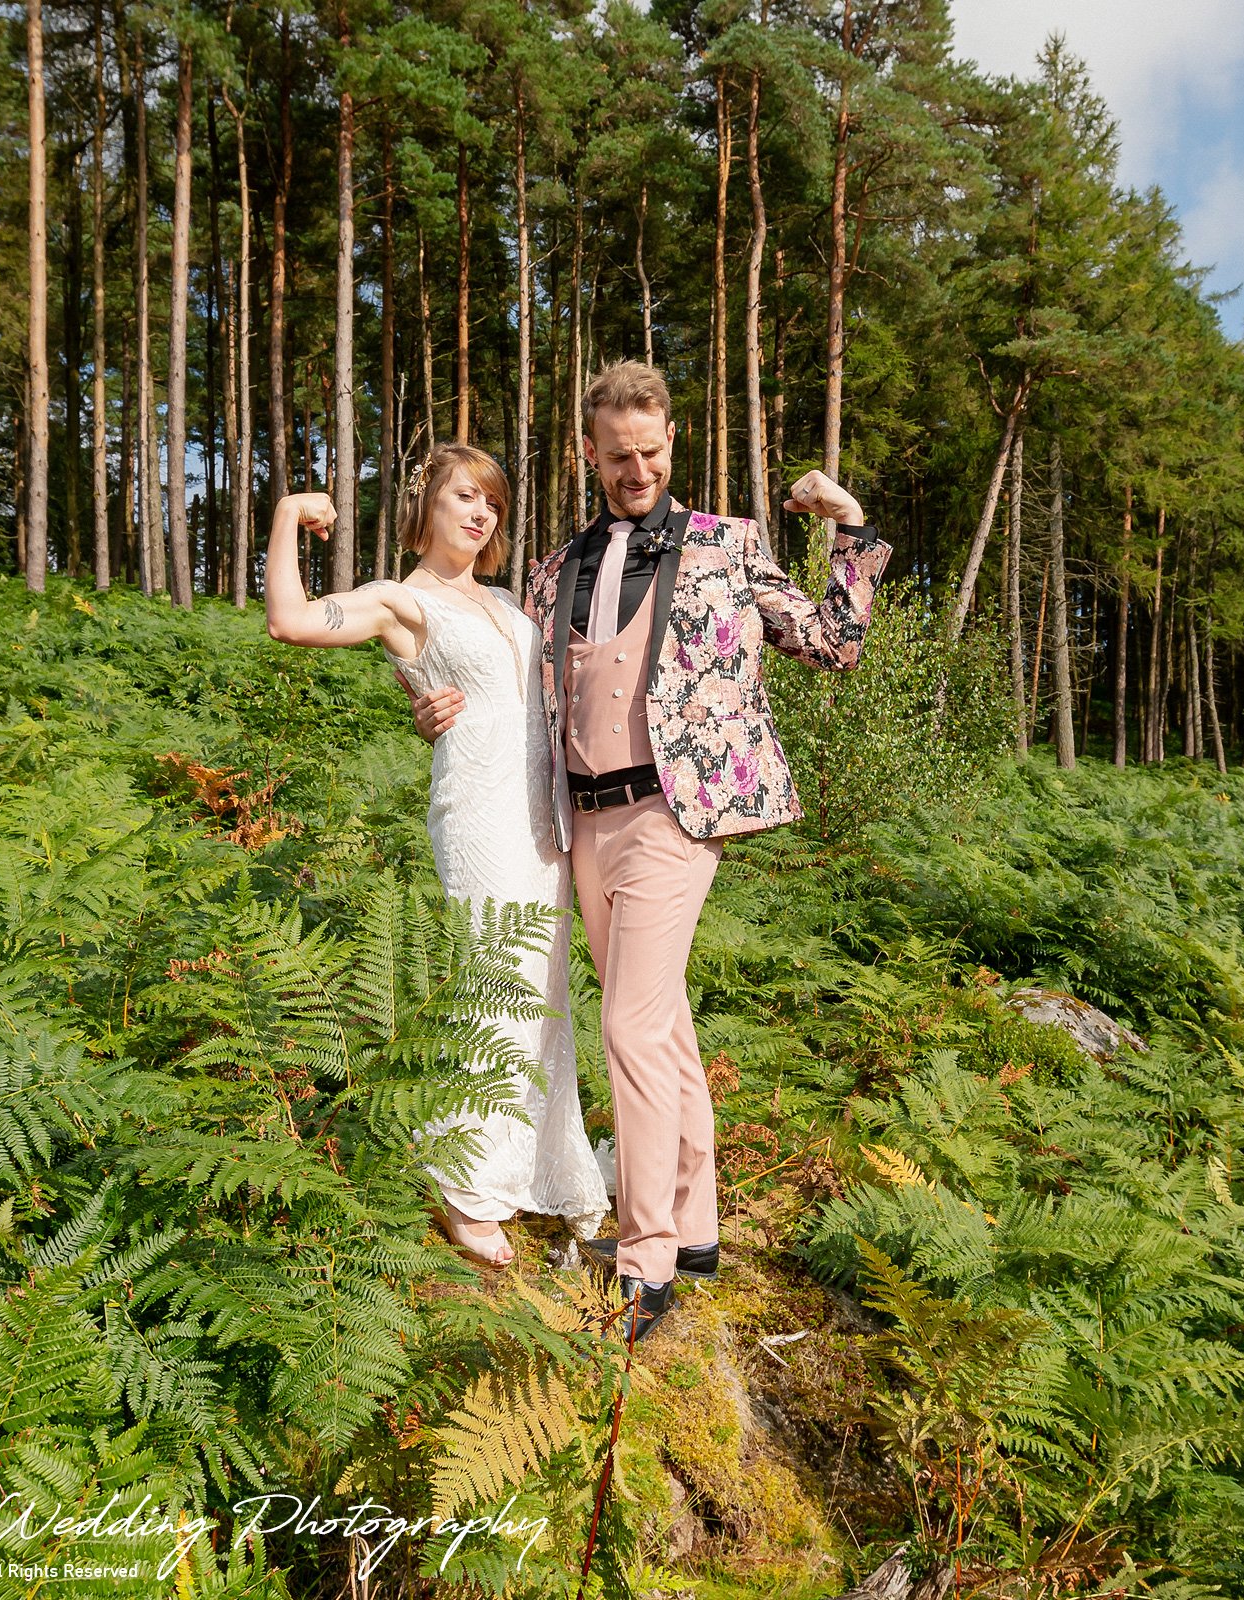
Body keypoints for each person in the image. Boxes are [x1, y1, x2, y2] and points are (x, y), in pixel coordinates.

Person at [406, 360, 889, 1339]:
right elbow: (498, 677)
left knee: (626, 1020)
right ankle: (701, 1225)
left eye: (653, 453)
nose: (637, 470)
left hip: (679, 814)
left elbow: (834, 642)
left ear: (673, 444)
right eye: (619, 456)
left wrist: (848, 525)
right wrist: (429, 702)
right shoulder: (553, 569)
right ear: (592, 453)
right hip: (580, 821)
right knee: (659, 1019)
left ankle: (649, 1261)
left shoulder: (727, 546)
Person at [263, 442, 611, 1268]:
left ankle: (522, 1163)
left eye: (491, 500)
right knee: (498, 984)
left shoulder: (501, 598)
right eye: (464, 496)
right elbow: (290, 620)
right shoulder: (400, 599)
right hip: (481, 811)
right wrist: (284, 516)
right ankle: (464, 1186)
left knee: (543, 986)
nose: (481, 513)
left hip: (545, 818)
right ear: (426, 505)